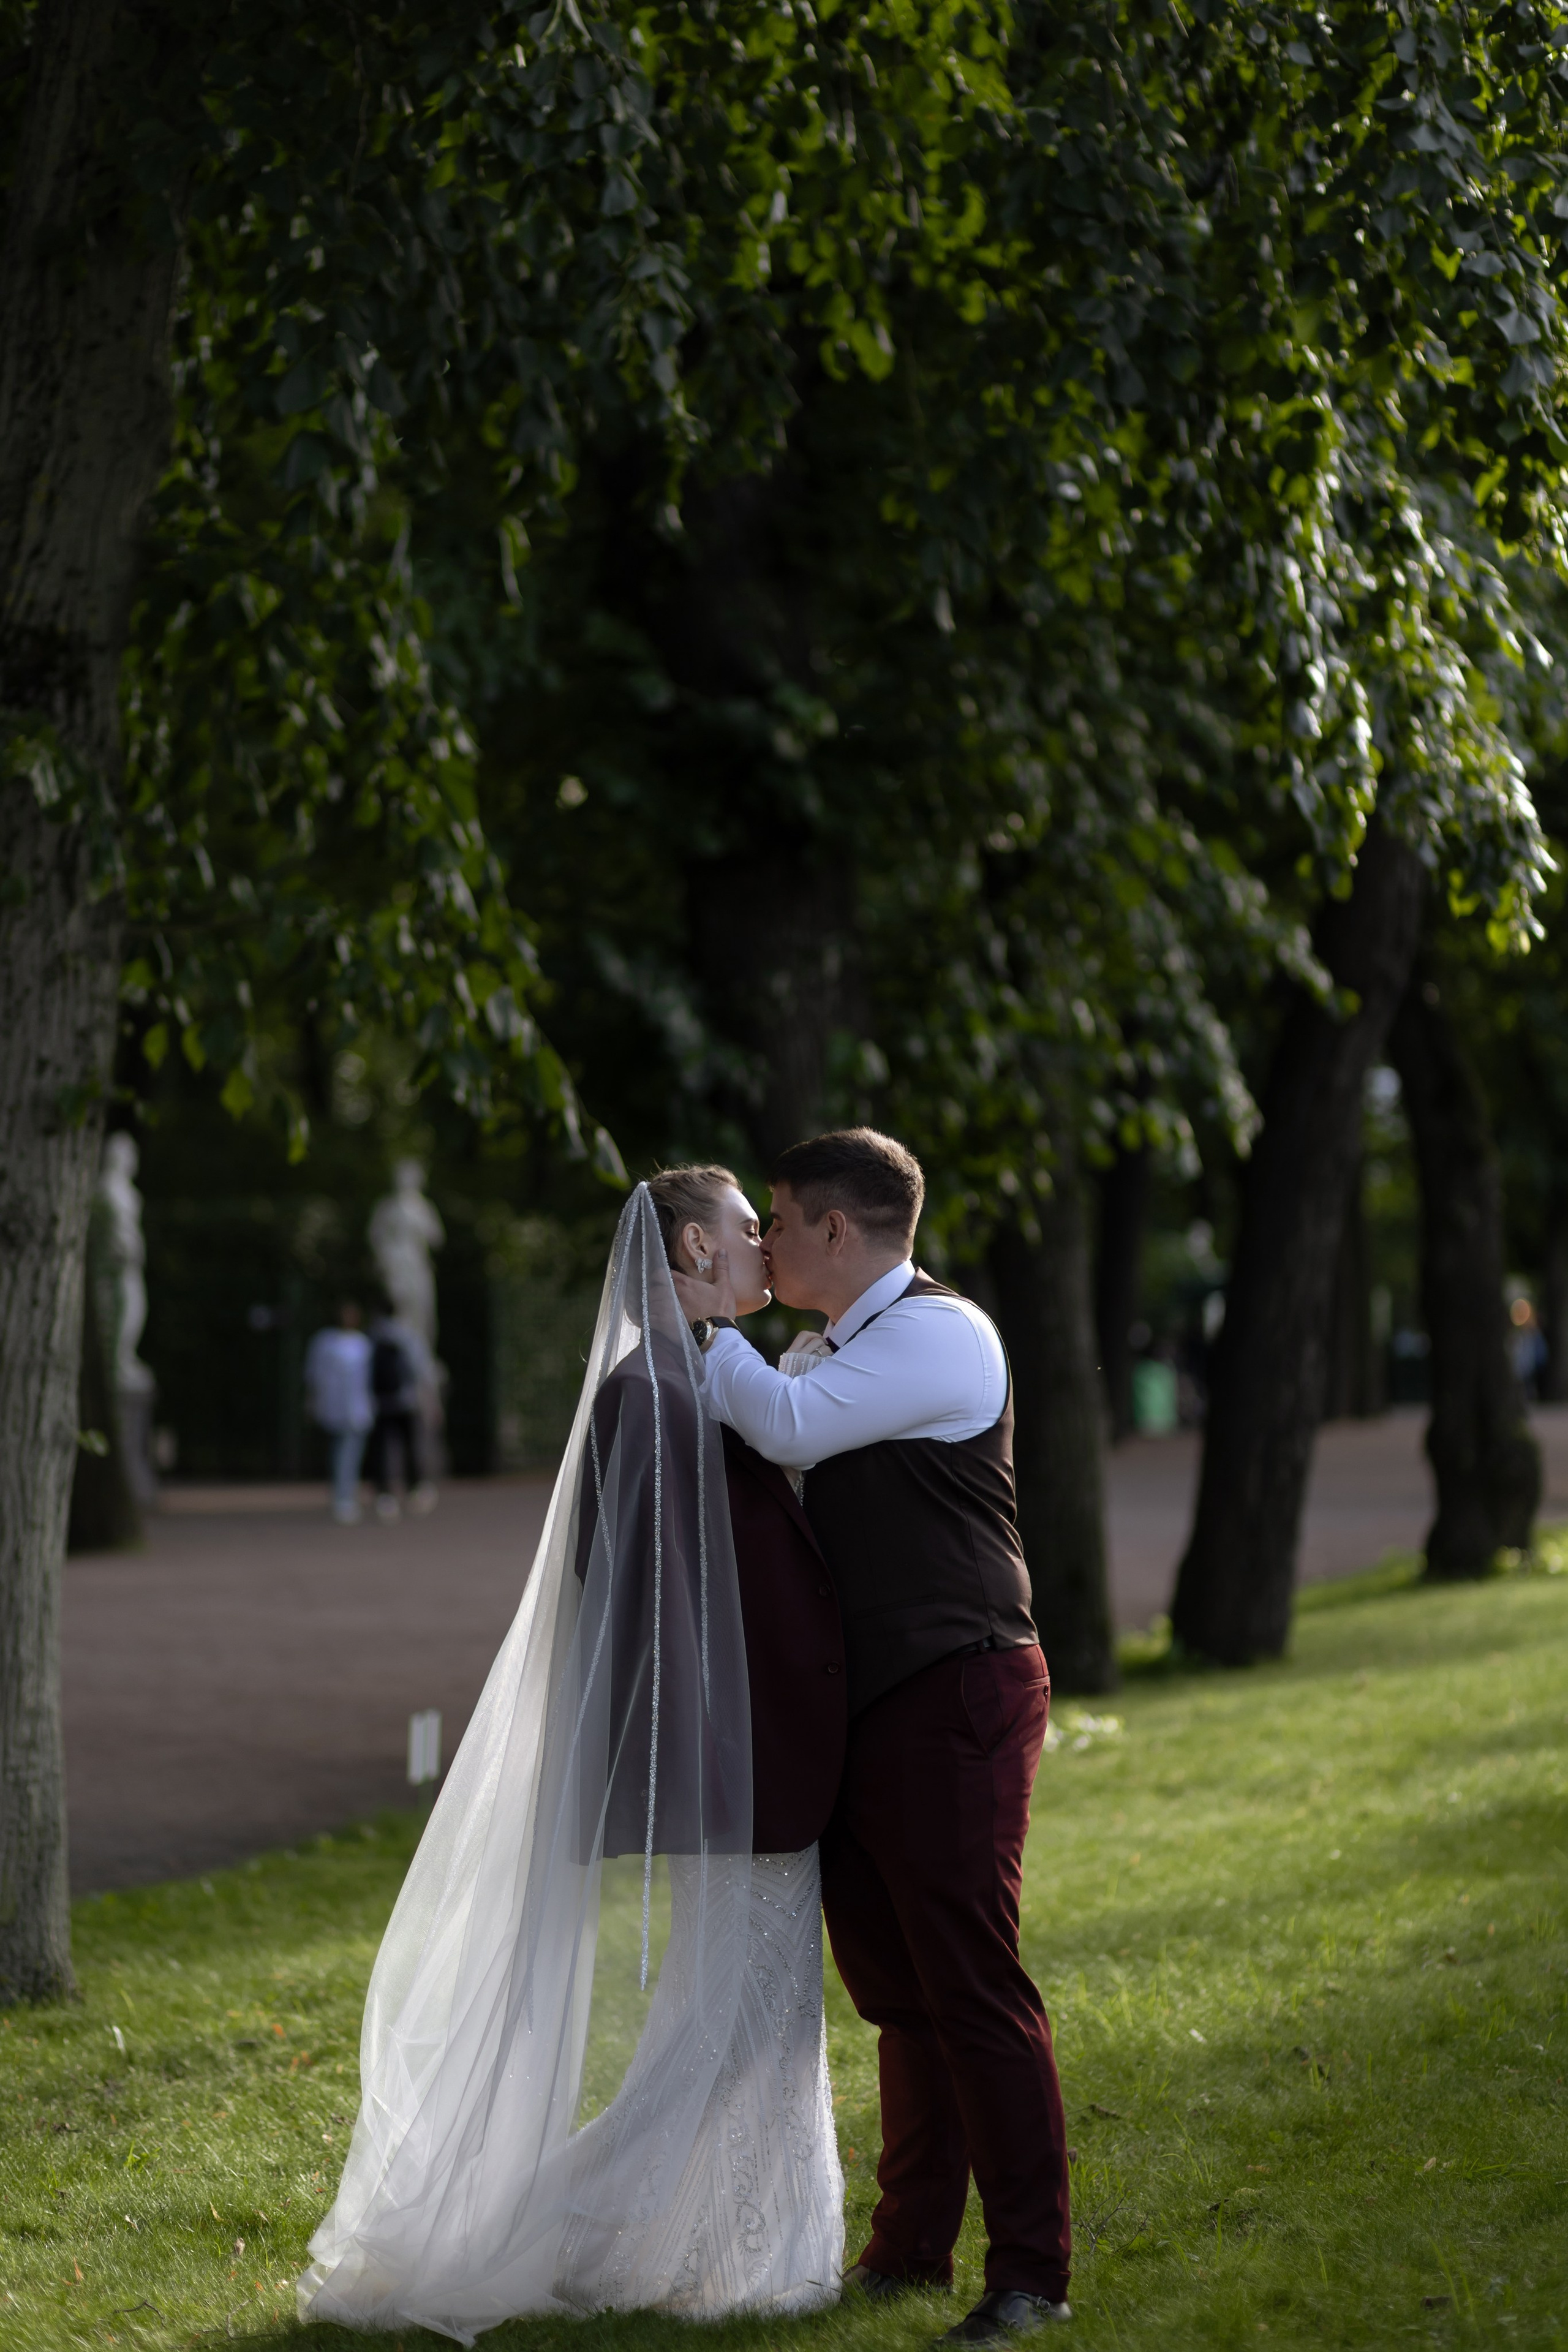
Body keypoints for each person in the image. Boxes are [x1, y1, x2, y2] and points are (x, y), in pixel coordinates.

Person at [298, 1177, 847, 2338]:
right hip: (735, 1766)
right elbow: (655, 1607)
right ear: (696, 1243)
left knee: (752, 2018)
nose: (768, 1248)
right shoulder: (648, 1394)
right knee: (747, 2021)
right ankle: (579, 2225)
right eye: (752, 1230)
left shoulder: (682, 1378)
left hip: (755, 1758)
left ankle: (711, 2244)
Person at [673, 1126, 1072, 2344]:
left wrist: (697, 1322)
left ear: (834, 1230)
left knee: (969, 1981)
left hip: (956, 1691)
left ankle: (1030, 2278)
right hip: (873, 1706)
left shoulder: (938, 1334)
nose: (766, 1240)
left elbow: (784, 1429)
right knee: (900, 1994)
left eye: (780, 1220)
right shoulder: (830, 1345)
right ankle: (907, 2252)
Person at [304, 1302, 374, 1525]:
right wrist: (314, 1401)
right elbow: (314, 1374)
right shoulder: (325, 1341)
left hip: (358, 1408)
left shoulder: (363, 1342)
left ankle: (344, 1496)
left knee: (349, 1453)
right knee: (342, 1453)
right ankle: (342, 1497)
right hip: (335, 1406)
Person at [366, 1304, 439, 1519]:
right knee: (409, 1446)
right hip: (407, 1402)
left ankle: (384, 1493)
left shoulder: (372, 1335)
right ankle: (415, 1488)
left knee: (381, 1449)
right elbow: (423, 1369)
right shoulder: (408, 1335)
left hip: (380, 1403)